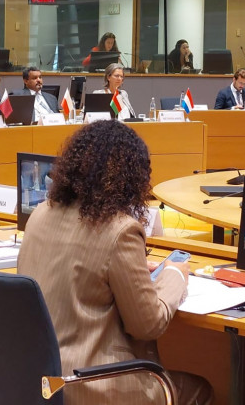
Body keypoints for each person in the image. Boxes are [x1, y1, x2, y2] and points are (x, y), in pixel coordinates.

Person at [18, 121, 213, 405]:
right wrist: (174, 275)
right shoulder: (120, 229)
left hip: (39, 378)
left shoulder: (39, 214)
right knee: (200, 389)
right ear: (131, 176)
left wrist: (129, 272)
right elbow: (148, 325)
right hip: (93, 384)